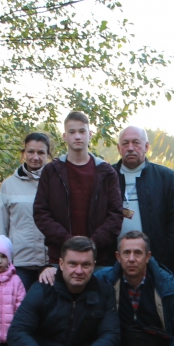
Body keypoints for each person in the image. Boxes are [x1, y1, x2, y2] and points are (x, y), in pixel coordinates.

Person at [34, 111, 123, 267]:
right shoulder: (51, 171)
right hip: (61, 258)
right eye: (72, 132)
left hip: (99, 259)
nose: (77, 136)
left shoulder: (106, 172)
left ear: (90, 134)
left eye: (82, 131)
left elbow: (116, 214)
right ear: (64, 136)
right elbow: (41, 213)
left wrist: (92, 243)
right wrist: (67, 241)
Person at [113, 125, 174, 277]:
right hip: (115, 263)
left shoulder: (166, 177)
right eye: (125, 143)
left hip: (158, 262)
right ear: (118, 148)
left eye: (136, 143)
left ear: (146, 147)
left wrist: (166, 253)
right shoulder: (107, 176)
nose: (130, 148)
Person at [0, 132, 53, 290]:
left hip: (50, 264)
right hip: (19, 264)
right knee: (19, 305)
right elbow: (0, 228)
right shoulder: (9, 185)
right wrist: (0, 259)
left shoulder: (56, 183)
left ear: (48, 155)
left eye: (41, 152)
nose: (35, 157)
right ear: (23, 153)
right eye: (30, 151)